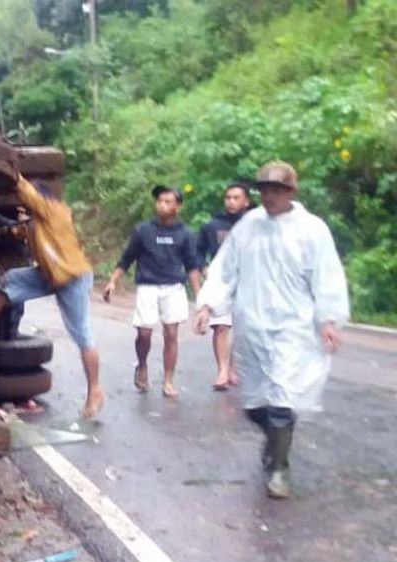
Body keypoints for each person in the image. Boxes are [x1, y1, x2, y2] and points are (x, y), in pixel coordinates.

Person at [194, 161, 348, 499]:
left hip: (294, 327)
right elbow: (224, 269)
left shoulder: (312, 229)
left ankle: (279, 468)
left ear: (291, 191)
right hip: (252, 327)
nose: (269, 195)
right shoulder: (248, 226)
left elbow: (327, 275)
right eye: (263, 189)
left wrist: (329, 319)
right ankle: (275, 440)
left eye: (276, 189)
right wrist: (207, 304)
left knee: (281, 398)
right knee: (254, 404)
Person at [0, 177, 105, 419]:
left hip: (73, 276)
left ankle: (95, 389)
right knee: (12, 279)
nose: (22, 209)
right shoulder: (35, 222)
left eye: (25, 205)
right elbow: (13, 227)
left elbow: (24, 191)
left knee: (82, 333)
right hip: (51, 274)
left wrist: (11, 172)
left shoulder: (53, 210)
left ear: (39, 197)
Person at [103, 185, 202, 397]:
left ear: (178, 206)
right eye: (159, 201)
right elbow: (127, 258)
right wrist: (113, 281)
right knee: (144, 333)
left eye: (168, 202)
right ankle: (142, 365)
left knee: (172, 333)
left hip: (173, 287)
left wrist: (199, 295)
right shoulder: (143, 230)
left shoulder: (184, 234)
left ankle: (168, 379)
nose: (162, 205)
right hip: (148, 286)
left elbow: (192, 265)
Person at [197, 182, 253, 390]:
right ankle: (222, 369)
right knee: (221, 326)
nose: (231, 201)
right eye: (228, 197)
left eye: (236, 198)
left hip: (248, 283)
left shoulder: (255, 225)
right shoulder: (213, 225)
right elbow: (198, 251)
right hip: (221, 281)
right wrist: (204, 269)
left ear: (246, 201)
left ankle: (235, 369)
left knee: (243, 328)